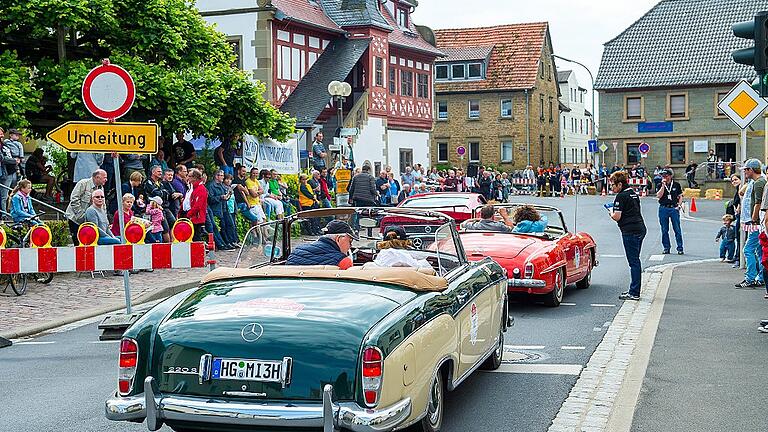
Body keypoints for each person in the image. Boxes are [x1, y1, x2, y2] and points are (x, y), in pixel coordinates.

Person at [608, 170, 647, 301]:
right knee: (636, 259)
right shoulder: (633, 194)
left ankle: (634, 292)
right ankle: (633, 289)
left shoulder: (621, 197)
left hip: (630, 231)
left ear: (620, 184)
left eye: (613, 185)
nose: (612, 188)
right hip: (640, 228)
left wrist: (610, 213)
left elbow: (617, 216)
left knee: (634, 261)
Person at [737, 159, 765, 288]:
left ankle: (750, 278)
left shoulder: (759, 183)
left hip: (757, 222)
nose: (745, 173)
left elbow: (758, 203)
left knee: (748, 249)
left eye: (746, 170)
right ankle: (760, 277)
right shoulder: (758, 181)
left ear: (751, 170)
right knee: (760, 251)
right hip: (760, 222)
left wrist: (753, 219)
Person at [286, 220, 356, 269]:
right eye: (350, 241)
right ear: (339, 239)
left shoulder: (296, 252)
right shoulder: (343, 261)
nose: (350, 246)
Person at [65, 169, 108, 245]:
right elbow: (74, 199)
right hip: (75, 219)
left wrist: (104, 219)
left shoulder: (101, 188)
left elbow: (103, 206)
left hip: (90, 221)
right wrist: (81, 216)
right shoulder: (83, 183)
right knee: (78, 243)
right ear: (97, 177)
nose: (106, 179)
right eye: (104, 177)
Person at [656, 169, 684, 254]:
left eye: (666, 176)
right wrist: (663, 186)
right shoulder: (660, 185)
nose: (664, 177)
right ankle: (666, 247)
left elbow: (680, 196)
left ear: (670, 176)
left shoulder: (676, 185)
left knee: (677, 229)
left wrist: (679, 205)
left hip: (673, 208)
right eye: (663, 176)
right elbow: (659, 196)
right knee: (664, 230)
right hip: (663, 208)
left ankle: (680, 248)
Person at [185, 168, 208, 242]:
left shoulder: (200, 188)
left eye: (189, 176)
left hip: (197, 217)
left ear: (195, 178)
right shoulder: (194, 187)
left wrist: (189, 214)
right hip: (194, 216)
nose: (187, 178)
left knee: (196, 237)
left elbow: (198, 205)